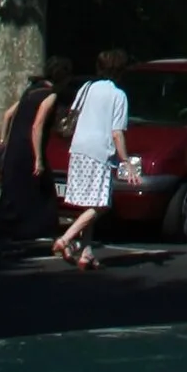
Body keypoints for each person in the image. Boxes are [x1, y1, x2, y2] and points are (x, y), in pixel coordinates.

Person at [54, 49, 137, 268]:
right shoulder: (118, 95)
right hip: (100, 152)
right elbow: (117, 132)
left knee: (88, 203)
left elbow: (73, 114)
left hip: (79, 148)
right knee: (101, 204)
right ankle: (66, 238)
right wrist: (126, 161)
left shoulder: (86, 88)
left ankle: (86, 251)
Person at [0, 56, 71, 246]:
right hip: (28, 150)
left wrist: (3, 142)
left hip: (13, 149)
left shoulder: (31, 90)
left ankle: (3, 234)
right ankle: (39, 232)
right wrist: (39, 158)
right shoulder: (50, 95)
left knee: (13, 192)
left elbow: (8, 114)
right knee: (41, 192)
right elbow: (37, 125)